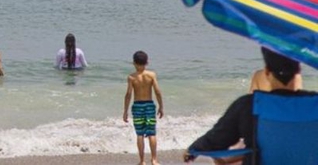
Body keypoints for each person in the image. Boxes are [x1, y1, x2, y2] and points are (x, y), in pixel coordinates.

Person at [183, 47, 316, 164]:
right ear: (299, 70)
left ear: (267, 71)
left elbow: (217, 139)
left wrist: (193, 149)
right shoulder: (314, 104)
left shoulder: (249, 105)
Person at [123, 50, 164, 165]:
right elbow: (157, 91)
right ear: (147, 62)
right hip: (149, 106)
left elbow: (128, 94)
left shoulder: (131, 77)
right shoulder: (151, 75)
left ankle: (142, 161)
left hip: (137, 107)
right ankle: (154, 159)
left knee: (140, 134)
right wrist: (161, 106)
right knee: (151, 133)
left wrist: (125, 111)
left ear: (134, 63)